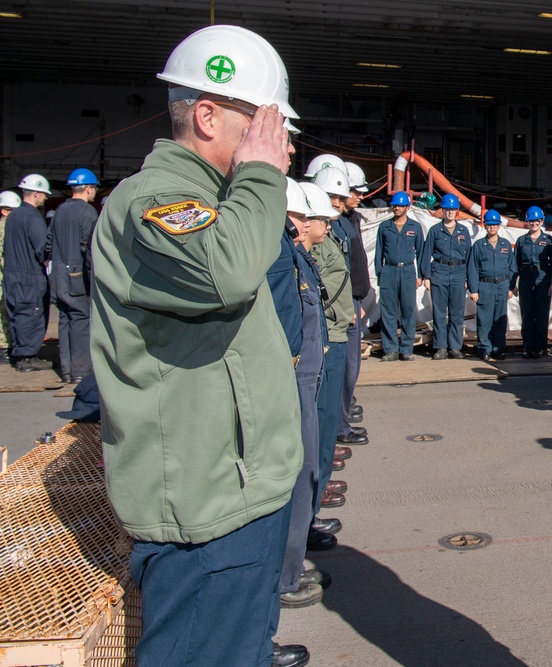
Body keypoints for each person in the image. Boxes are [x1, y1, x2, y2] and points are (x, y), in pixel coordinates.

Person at [88, 25, 309, 667]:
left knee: (241, 648)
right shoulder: (156, 201)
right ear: (208, 116)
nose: (282, 143)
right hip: (207, 505)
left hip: (244, 490)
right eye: (265, 122)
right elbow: (226, 274)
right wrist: (262, 177)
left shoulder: (218, 202)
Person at [271, 179, 332, 613]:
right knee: (296, 475)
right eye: (313, 217)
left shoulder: (291, 254)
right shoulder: (279, 257)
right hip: (291, 384)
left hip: (305, 380)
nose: (319, 225)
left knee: (306, 472)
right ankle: (285, 577)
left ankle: (290, 566)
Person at [299, 180, 351, 520]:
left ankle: (315, 499)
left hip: (335, 333)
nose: (327, 225)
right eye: (323, 220)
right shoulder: (307, 253)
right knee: (317, 425)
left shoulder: (325, 243)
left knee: (326, 422)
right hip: (325, 337)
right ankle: (310, 511)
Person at [314, 166, 368, 447]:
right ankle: (335, 429)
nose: (340, 200)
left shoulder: (343, 223)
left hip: (347, 306)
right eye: (332, 196)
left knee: (347, 370)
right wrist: (346, 306)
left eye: (341, 195)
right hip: (335, 315)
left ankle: (339, 421)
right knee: (337, 373)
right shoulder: (324, 229)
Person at [47, 168, 100, 383]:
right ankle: (80, 372)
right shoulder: (88, 213)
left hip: (58, 275)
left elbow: (48, 243)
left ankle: (67, 370)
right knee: (81, 321)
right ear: (88, 188)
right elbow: (89, 250)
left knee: (65, 319)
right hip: (76, 276)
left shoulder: (60, 210)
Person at [2, 174, 51, 372]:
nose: (46, 198)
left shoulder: (13, 216)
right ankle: (27, 357)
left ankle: (19, 353)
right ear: (36, 194)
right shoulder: (33, 218)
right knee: (31, 315)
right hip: (28, 275)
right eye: (44, 195)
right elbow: (42, 248)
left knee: (16, 313)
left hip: (12, 274)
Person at [420, 193, 472, 359]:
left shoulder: (463, 231)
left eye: (453, 209)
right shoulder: (435, 230)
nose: (450, 212)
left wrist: (468, 280)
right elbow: (426, 254)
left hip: (458, 274)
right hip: (439, 273)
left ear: (457, 211)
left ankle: (455, 347)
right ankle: (440, 347)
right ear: (442, 210)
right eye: (447, 209)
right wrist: (426, 277)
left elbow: (469, 257)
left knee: (457, 312)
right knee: (439, 312)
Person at [374, 191, 424, 361]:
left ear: (407, 208)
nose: (396, 208)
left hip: (408, 271)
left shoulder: (415, 227)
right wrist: (380, 273)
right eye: (395, 205)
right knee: (387, 311)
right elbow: (379, 252)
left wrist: (420, 276)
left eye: (400, 205)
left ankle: (407, 348)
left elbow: (421, 253)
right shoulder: (384, 227)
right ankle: (390, 349)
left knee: (408, 310)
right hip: (389, 270)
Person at [340, 161, 371, 428]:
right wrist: (347, 302)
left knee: (352, 362)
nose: (361, 196)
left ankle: (346, 404)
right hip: (344, 302)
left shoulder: (351, 218)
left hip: (353, 299)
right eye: (356, 191)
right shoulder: (335, 223)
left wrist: (357, 298)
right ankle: (341, 420)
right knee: (346, 362)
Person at [468, 209, 516, 361]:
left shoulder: (506, 245)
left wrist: (511, 287)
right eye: (489, 225)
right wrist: (474, 290)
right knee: (484, 319)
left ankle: (499, 349)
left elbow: (512, 267)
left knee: (500, 319)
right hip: (485, 286)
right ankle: (485, 349)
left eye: (495, 225)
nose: (492, 227)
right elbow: (473, 269)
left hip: (502, 286)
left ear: (499, 226)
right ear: (485, 226)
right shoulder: (478, 246)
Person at [514, 205, 552, 358]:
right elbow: (516, 264)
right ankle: (528, 347)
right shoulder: (521, 241)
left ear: (542, 221)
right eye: (531, 221)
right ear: (527, 222)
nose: (534, 224)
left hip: (543, 279)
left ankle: (541, 347)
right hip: (526, 279)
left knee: (541, 314)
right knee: (527, 314)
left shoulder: (548, 240)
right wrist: (513, 284)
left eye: (537, 221)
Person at [0, 189, 22, 364]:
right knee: (4, 316)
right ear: (4, 211)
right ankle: (5, 350)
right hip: (4, 277)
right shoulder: (6, 228)